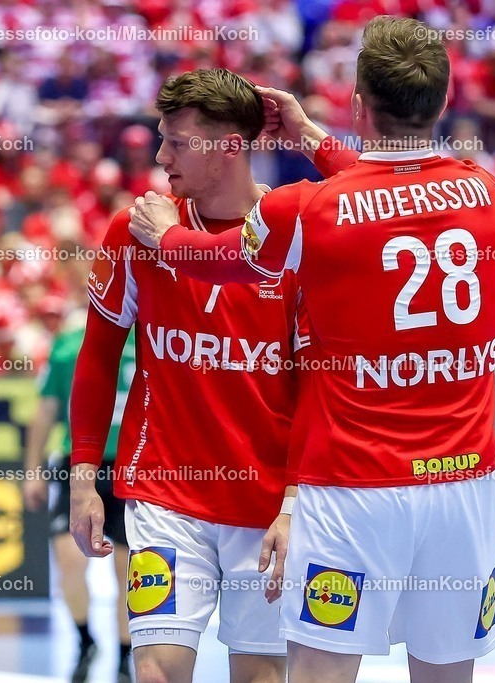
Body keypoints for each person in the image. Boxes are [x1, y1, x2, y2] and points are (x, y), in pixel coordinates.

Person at [128, 17, 495, 683]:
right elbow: (393, 192)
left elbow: (219, 260)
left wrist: (164, 237)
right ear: (444, 103)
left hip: (358, 482)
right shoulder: (485, 192)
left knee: (320, 674)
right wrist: (314, 140)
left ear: (360, 104)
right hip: (463, 478)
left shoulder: (310, 210)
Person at [69, 68, 309, 683]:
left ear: (230, 146)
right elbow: (97, 356)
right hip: (165, 490)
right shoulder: (133, 229)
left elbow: (321, 385)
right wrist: (83, 475)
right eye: (161, 137)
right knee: (155, 672)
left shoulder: (296, 235)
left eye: (177, 141)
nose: (160, 154)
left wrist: (294, 499)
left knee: (258, 674)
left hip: (265, 502)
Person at [22, 317, 137, 683]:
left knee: (128, 567)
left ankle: (123, 654)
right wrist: (33, 469)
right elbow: (46, 409)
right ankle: (86, 639)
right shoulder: (69, 344)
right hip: (79, 463)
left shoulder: (151, 332)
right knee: (69, 559)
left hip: (130, 462)